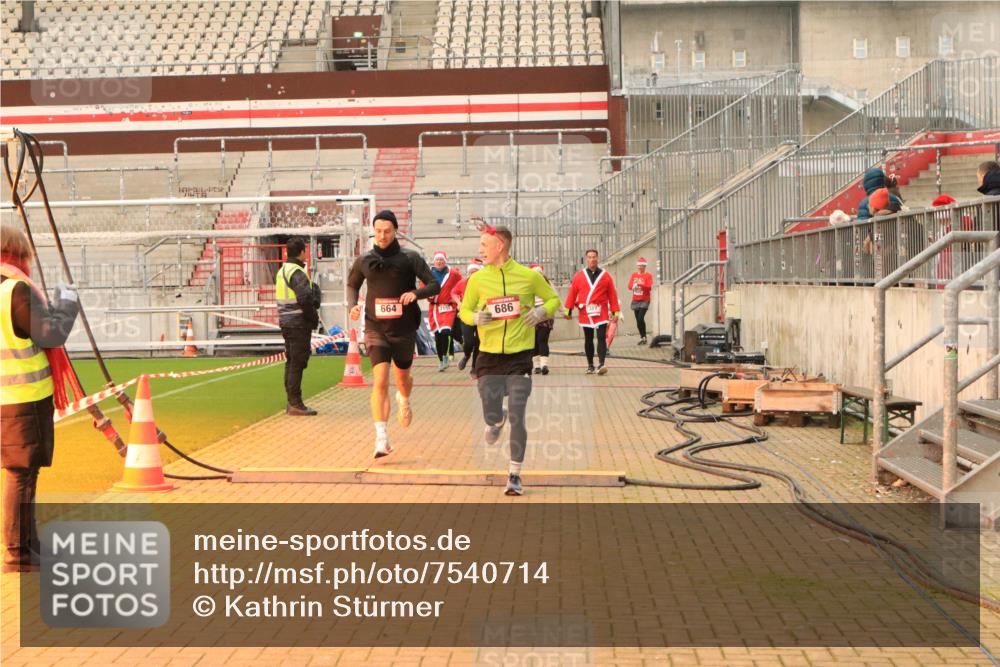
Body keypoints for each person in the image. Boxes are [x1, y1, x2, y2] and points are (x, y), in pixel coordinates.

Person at [459, 225, 560, 496]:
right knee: (492, 413)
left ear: (500, 245)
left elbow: (553, 299)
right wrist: (475, 318)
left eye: (484, 244)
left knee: (518, 414)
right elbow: (464, 311)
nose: (480, 249)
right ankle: (494, 420)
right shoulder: (478, 280)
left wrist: (541, 312)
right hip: (489, 356)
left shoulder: (527, 277)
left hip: (520, 357)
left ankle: (515, 474)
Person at [1, 224, 79, 573]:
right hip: (23, 396)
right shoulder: (16, 290)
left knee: (23, 473)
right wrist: (66, 303)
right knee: (22, 473)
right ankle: (19, 552)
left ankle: (27, 543)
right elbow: (51, 334)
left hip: (7, 395)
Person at [348, 210, 440, 458]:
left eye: (387, 231)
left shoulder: (410, 258)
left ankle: (405, 399)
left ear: (396, 231)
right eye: (378, 231)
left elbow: (434, 284)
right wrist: (352, 306)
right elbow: (352, 283)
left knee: (402, 381)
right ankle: (381, 439)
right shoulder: (364, 260)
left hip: (403, 328)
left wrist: (416, 294)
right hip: (375, 327)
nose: (382, 235)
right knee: (379, 380)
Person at [275, 236, 321, 416]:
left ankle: (292, 401)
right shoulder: (296, 272)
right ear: (302, 252)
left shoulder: (282, 270)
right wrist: (313, 317)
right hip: (298, 323)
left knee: (292, 361)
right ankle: (295, 403)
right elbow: (304, 298)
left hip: (286, 322)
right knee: (298, 362)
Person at [564, 249, 621, 375]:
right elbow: (572, 293)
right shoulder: (579, 275)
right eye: (589, 257)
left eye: (594, 257)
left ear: (597, 258)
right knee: (588, 339)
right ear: (586, 259)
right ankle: (590, 365)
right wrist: (568, 310)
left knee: (601, 337)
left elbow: (612, 294)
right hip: (586, 312)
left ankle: (601, 364)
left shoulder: (606, 276)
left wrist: (616, 312)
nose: (592, 259)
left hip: (601, 311)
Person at [424, 250, 462, 372]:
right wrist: (429, 296)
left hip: (449, 307)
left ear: (445, 261)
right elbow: (423, 288)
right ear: (434, 261)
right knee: (438, 335)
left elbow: (461, 285)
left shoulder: (454, 274)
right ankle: (441, 359)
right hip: (434, 308)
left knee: (446, 331)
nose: (439, 262)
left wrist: (456, 298)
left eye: (441, 260)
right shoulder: (428, 273)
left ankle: (447, 355)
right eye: (437, 260)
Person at [452, 258, 483, 372]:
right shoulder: (463, 282)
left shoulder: (484, 283)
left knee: (480, 342)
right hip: (467, 315)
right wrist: (459, 302)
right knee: (469, 341)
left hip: (481, 316)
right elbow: (453, 292)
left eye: (475, 272)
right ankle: (466, 355)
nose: (473, 274)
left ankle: (475, 367)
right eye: (471, 272)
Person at [528, 263, 554, 375]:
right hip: (532, 317)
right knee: (534, 342)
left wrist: (564, 312)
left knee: (542, 340)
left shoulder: (548, 285)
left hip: (546, 316)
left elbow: (555, 298)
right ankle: (536, 365)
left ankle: (544, 365)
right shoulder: (528, 286)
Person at [627, 257, 653, 346]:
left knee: (640, 318)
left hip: (645, 299)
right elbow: (629, 286)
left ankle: (644, 337)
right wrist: (633, 286)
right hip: (635, 300)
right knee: (638, 321)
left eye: (642, 266)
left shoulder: (648, 275)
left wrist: (640, 284)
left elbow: (649, 287)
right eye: (639, 266)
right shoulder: (634, 275)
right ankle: (643, 337)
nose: (640, 267)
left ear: (645, 266)